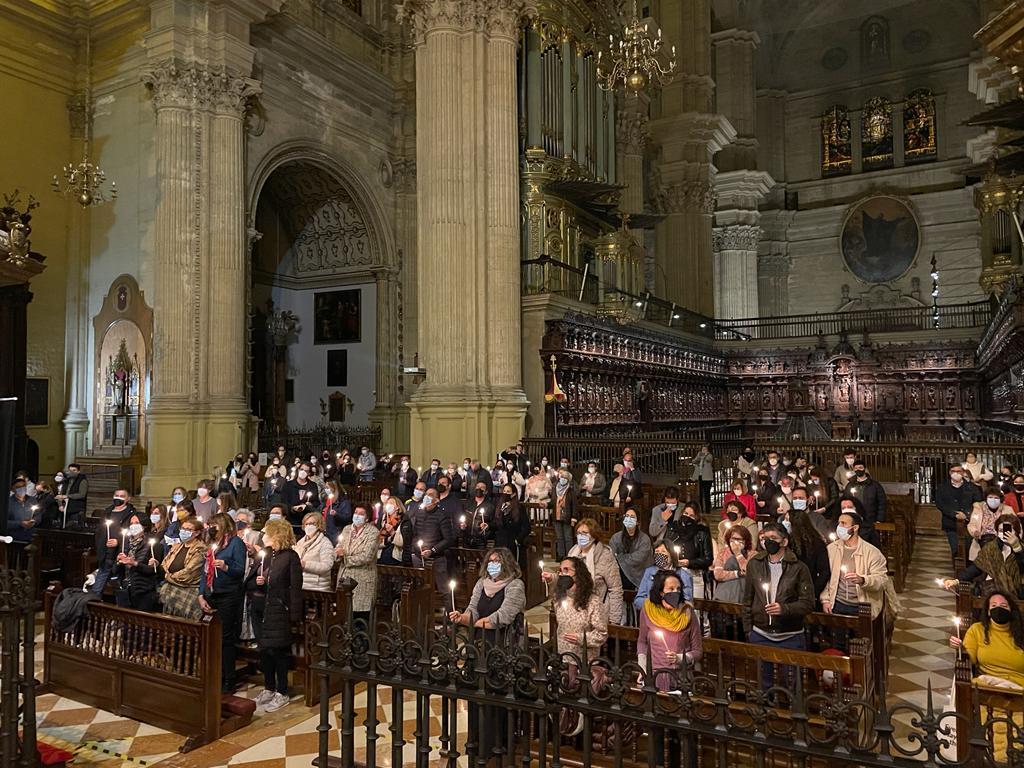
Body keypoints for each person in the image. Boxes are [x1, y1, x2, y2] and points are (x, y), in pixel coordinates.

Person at [448, 547, 527, 763]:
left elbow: (505, 615)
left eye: (497, 561)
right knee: (477, 693)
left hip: (501, 645)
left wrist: (480, 622)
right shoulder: (481, 583)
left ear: (507, 564)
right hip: (479, 645)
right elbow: (473, 609)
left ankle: (496, 744)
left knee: (495, 695)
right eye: (490, 561)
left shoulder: (515, 585)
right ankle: (476, 742)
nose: (493, 564)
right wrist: (462, 617)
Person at [742, 522, 815, 684]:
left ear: (784, 541)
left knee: (792, 684)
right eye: (765, 538)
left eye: (773, 538)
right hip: (760, 633)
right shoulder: (755, 564)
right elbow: (747, 599)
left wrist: (784, 609)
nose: (768, 542)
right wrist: (748, 630)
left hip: (790, 634)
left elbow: (808, 603)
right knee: (763, 684)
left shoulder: (799, 567)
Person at [248, 518, 302, 713]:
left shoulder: (290, 557)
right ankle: (269, 687)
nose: (264, 536)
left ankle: (282, 691)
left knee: (278, 651)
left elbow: (295, 588)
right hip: (260, 608)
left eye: (267, 533)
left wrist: (294, 616)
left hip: (278, 609)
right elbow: (250, 581)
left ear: (277, 534)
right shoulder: (265, 555)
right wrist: (258, 581)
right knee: (264, 650)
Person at [199, 512, 247, 692]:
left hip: (228, 595)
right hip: (212, 594)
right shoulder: (213, 545)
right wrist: (201, 594)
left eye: (215, 525)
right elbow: (204, 570)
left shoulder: (236, 543)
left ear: (224, 525)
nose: (212, 528)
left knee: (226, 638)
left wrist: (226, 567)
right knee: (210, 637)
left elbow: (240, 569)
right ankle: (212, 675)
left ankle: (229, 679)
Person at [637, 570, 702, 691]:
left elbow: (697, 651)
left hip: (680, 677)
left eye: (678, 589)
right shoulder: (648, 610)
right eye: (671, 589)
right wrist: (642, 668)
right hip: (655, 676)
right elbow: (642, 642)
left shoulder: (687, 613)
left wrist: (680, 658)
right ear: (661, 592)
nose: (675, 592)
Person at [820, 510, 888, 619]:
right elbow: (826, 577)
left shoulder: (872, 552)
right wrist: (825, 600)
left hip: (861, 605)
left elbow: (882, 580)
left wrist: (863, 579)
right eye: (839, 523)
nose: (839, 526)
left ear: (855, 528)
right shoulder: (832, 549)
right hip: (837, 603)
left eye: (843, 523)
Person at [944, 514, 1024, 597]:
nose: (1004, 534)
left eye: (1009, 530)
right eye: (1000, 530)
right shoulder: (990, 548)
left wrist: (1017, 548)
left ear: (1016, 531)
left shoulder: (1021, 548)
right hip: (992, 590)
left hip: (1016, 591)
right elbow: (976, 567)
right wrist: (956, 581)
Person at [564, 518, 624, 624]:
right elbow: (565, 580)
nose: (581, 536)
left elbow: (615, 589)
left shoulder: (605, 556)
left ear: (593, 535)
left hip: (598, 612)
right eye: (578, 533)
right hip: (574, 610)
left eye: (585, 533)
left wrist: (614, 620)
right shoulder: (573, 552)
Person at [553, 557, 609, 658]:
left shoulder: (593, 602)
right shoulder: (559, 598)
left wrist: (581, 638)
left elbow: (602, 634)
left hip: (585, 659)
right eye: (560, 571)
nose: (562, 574)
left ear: (578, 574)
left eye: (566, 570)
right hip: (564, 656)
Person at [409, 489, 456, 609]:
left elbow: (448, 539)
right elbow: (414, 534)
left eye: (430, 495)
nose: (426, 497)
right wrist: (417, 548)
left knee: (444, 589)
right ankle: (421, 616)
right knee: (419, 588)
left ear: (436, 500)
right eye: (426, 494)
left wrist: (433, 550)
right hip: (419, 557)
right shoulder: (419, 513)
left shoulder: (442, 516)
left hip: (437, 558)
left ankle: (451, 619)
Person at [336, 502, 380, 625]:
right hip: (345, 578)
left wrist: (345, 557)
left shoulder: (372, 532)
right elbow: (339, 547)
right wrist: (338, 553)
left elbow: (366, 556)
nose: (357, 516)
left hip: (362, 579)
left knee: (360, 618)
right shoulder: (346, 529)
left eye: (361, 514)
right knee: (345, 615)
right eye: (356, 513)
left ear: (367, 517)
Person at [113, 513, 164, 612]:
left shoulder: (154, 545)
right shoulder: (125, 543)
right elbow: (115, 570)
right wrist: (118, 562)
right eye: (131, 523)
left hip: (143, 590)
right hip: (125, 590)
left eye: (136, 523)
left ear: (144, 525)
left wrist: (135, 563)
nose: (133, 526)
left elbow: (155, 571)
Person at [158, 516, 205, 620]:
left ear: (197, 533)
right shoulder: (177, 545)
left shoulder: (200, 549)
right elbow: (165, 563)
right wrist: (167, 573)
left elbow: (188, 573)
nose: (184, 531)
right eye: (182, 529)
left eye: (188, 530)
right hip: (170, 588)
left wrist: (168, 576)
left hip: (187, 589)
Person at [663, 502, 713, 600]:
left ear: (697, 517)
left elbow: (708, 558)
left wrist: (690, 563)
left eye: (691, 516)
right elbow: (665, 547)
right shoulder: (673, 528)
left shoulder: (702, 532)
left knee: (694, 607)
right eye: (685, 514)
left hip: (695, 575)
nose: (687, 517)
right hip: (675, 573)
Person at [91, 490, 137, 594]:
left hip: (120, 557)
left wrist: (118, 541)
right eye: (116, 495)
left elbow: (132, 533)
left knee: (120, 590)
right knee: (97, 589)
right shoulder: (107, 512)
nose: (118, 498)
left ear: (128, 499)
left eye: (122, 496)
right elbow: (100, 532)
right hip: (106, 556)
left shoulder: (131, 514)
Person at [936, 463, 984, 556]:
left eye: (958, 471)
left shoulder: (972, 487)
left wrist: (966, 514)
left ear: (963, 473)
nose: (956, 473)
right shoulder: (943, 487)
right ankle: (957, 568)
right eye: (953, 471)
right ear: (950, 473)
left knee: (968, 549)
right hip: (950, 523)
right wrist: (953, 514)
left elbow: (978, 502)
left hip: (969, 523)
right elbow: (940, 503)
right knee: (956, 549)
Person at [633, 543, 694, 615]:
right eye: (657, 552)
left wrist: (669, 606)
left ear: (671, 554)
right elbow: (638, 600)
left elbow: (687, 603)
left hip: (674, 618)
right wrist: (655, 606)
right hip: (653, 616)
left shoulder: (684, 575)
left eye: (663, 551)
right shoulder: (649, 571)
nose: (660, 554)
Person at [609, 507, 654, 593]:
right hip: (620, 572)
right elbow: (612, 555)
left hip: (638, 571)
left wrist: (620, 557)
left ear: (637, 521)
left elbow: (639, 558)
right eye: (627, 516)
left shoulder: (645, 539)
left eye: (632, 517)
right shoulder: (616, 537)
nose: (629, 518)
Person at [841, 459, 886, 545]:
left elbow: (881, 503)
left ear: (864, 469)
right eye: (856, 468)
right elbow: (845, 500)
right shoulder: (850, 485)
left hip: (870, 520)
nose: (858, 470)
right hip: (854, 519)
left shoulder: (875, 485)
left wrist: (879, 519)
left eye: (860, 467)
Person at [968, 488, 1016, 562]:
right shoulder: (978, 508)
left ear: (1000, 499)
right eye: (990, 497)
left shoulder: (1007, 509)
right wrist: (975, 532)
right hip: (982, 538)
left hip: (1002, 540)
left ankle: (991, 568)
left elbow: (1016, 526)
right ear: (986, 498)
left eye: (996, 498)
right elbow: (972, 524)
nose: (993, 500)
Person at [295, 512, 337, 591]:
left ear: (318, 525)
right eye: (306, 524)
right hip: (301, 585)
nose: (308, 526)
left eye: (311, 523)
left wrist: (306, 564)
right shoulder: (300, 542)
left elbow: (327, 566)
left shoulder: (325, 543)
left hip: (317, 587)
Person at [713, 524, 753, 603]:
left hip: (744, 593)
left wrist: (738, 554)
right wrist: (738, 573)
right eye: (733, 539)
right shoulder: (723, 553)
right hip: (724, 593)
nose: (736, 542)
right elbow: (718, 574)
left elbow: (748, 571)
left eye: (739, 539)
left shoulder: (752, 554)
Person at [494, 483, 530, 561]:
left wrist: (518, 540)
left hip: (513, 541)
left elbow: (526, 527)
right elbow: (496, 523)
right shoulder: (499, 506)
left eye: (508, 491)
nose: (505, 493)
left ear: (513, 494)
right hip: (501, 541)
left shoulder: (519, 508)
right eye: (504, 491)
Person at [7, 477, 41, 541]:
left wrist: (34, 521)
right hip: (15, 538)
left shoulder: (32, 500)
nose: (22, 489)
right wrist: (20, 523)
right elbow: (5, 523)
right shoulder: (8, 503)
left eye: (23, 486)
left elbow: (38, 515)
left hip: (31, 537)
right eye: (18, 487)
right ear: (12, 489)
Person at [552, 469, 576, 560]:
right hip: (557, 516)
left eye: (565, 478)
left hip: (567, 517)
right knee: (559, 537)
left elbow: (574, 505)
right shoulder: (555, 489)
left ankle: (569, 556)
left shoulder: (570, 491)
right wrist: (547, 504)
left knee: (568, 538)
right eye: (561, 477)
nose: (562, 479)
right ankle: (561, 555)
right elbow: (553, 502)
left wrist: (573, 518)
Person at [463, 481, 494, 549]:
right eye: (477, 487)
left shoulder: (490, 506)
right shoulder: (468, 503)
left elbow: (493, 522)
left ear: (486, 491)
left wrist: (488, 526)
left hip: (481, 540)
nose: (479, 489)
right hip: (466, 539)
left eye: (482, 488)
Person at [691, 444, 714, 514]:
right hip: (700, 477)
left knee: (707, 494)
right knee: (700, 494)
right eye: (702, 449)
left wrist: (705, 455)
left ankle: (707, 510)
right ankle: (700, 509)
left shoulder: (709, 455)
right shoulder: (700, 456)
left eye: (705, 449)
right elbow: (693, 461)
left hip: (708, 478)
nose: (703, 451)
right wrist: (699, 456)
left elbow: (709, 460)